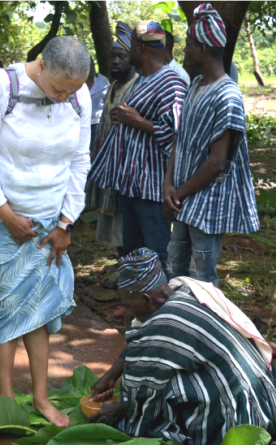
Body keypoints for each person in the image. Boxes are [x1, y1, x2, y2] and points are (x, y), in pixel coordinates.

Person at [0, 36, 91, 426]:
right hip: (0, 217)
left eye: (72, 90)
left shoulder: (77, 95)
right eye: (57, 89)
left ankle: (39, 398)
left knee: (40, 307)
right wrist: (5, 213)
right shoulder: (2, 87)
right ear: (41, 66)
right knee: (9, 304)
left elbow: (79, 161)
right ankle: (6, 401)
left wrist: (66, 222)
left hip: (51, 221)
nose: (63, 98)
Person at [89, 248, 276, 445]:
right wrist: (111, 375)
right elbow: (144, 345)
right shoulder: (187, 290)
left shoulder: (167, 322)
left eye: (129, 305)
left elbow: (142, 390)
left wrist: (120, 410)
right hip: (262, 400)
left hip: (237, 419)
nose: (129, 312)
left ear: (145, 299)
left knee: (155, 414)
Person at [164, 4, 259, 287]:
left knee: (201, 279)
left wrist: (177, 193)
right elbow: (180, 140)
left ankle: (203, 328)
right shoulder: (195, 85)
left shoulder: (227, 96)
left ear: (202, 50)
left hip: (206, 203)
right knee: (175, 269)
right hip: (182, 199)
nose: (184, 51)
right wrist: (169, 185)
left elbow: (216, 163)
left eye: (189, 45)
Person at [88, 20, 187, 276]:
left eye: (130, 45)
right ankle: (139, 309)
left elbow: (179, 136)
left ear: (141, 48)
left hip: (152, 190)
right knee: (133, 252)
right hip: (131, 185)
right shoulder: (143, 81)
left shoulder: (171, 83)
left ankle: (162, 309)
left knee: (157, 253)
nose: (127, 50)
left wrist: (139, 122)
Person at [85, 22, 139, 256]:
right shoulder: (112, 86)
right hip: (109, 172)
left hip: (126, 174)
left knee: (128, 230)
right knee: (115, 232)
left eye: (122, 56)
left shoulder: (137, 87)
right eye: (113, 56)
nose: (115, 61)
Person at [86, 56, 109, 150]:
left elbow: (107, 102)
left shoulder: (102, 81)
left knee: (94, 151)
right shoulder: (76, 81)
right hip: (79, 122)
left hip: (96, 123)